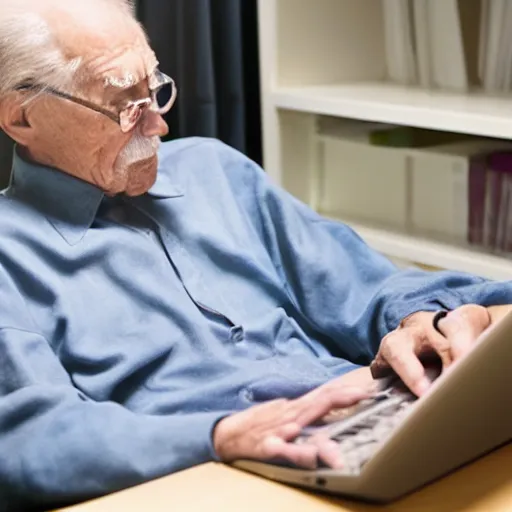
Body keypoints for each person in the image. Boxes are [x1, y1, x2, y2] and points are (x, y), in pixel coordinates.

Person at [0, 0, 510, 509]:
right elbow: (32, 436)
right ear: (21, 117)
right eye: (127, 106)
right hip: (215, 480)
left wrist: (428, 319)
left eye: (156, 90)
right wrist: (222, 435)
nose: (159, 127)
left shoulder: (216, 170)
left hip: (371, 423)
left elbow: (367, 285)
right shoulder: (9, 252)